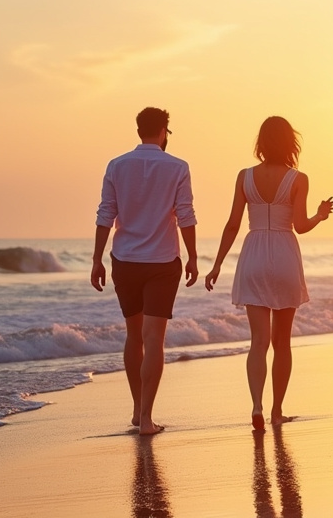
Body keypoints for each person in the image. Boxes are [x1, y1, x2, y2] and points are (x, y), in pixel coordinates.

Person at [204, 116, 333, 431]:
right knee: (282, 342)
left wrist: (218, 263)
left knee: (258, 341)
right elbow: (300, 226)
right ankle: (277, 411)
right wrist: (320, 214)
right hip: (284, 257)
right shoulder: (298, 179)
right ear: (291, 143)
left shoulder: (244, 176)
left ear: (261, 143)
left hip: (253, 256)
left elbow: (233, 223)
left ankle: (257, 407)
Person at [91, 107, 199, 436]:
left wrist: (97, 259)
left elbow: (105, 215)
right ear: (164, 130)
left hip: (125, 260)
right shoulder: (178, 167)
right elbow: (186, 215)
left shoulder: (116, 165)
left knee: (133, 335)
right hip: (163, 262)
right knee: (154, 339)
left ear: (139, 130)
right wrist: (193, 256)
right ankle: (148, 418)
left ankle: (137, 410)